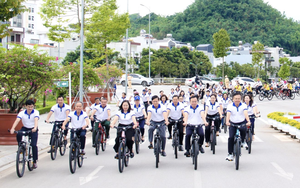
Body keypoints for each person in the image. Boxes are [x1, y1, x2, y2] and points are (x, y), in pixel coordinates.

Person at [10, 100, 39, 169]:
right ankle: (21, 148)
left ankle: (34, 161)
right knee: (19, 134)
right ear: (25, 106)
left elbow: (36, 120)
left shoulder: (36, 112)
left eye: (32, 107)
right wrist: (12, 128)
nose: (30, 108)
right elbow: (17, 120)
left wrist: (35, 127)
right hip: (25, 127)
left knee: (33, 145)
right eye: (29, 107)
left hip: (33, 129)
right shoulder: (22, 113)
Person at [225, 93, 251, 161]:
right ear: (233, 99)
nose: (237, 100)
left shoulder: (243, 105)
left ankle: (243, 141)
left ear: (241, 99)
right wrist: (227, 121)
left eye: (239, 99)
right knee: (231, 137)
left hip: (241, 122)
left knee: (244, 130)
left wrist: (248, 121)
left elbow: (245, 113)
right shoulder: (230, 106)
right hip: (232, 123)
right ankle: (230, 154)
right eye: (236, 99)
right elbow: (228, 114)